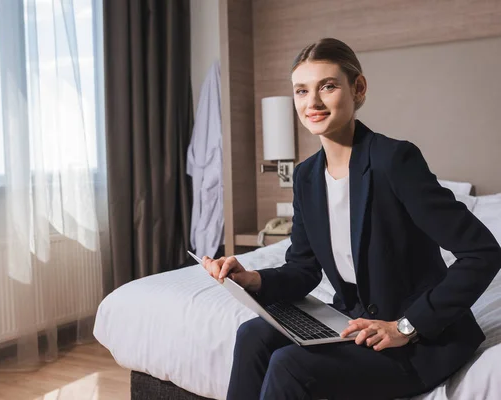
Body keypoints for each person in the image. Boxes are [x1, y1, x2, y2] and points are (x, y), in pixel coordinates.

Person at [201, 38, 501, 400]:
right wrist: (250, 278)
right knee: (252, 335)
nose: (311, 103)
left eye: (327, 86)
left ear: (357, 88)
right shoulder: (307, 176)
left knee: (289, 364)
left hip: (418, 342)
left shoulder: (395, 161)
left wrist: (406, 326)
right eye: (301, 91)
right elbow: (304, 268)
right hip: (352, 322)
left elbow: (483, 253)